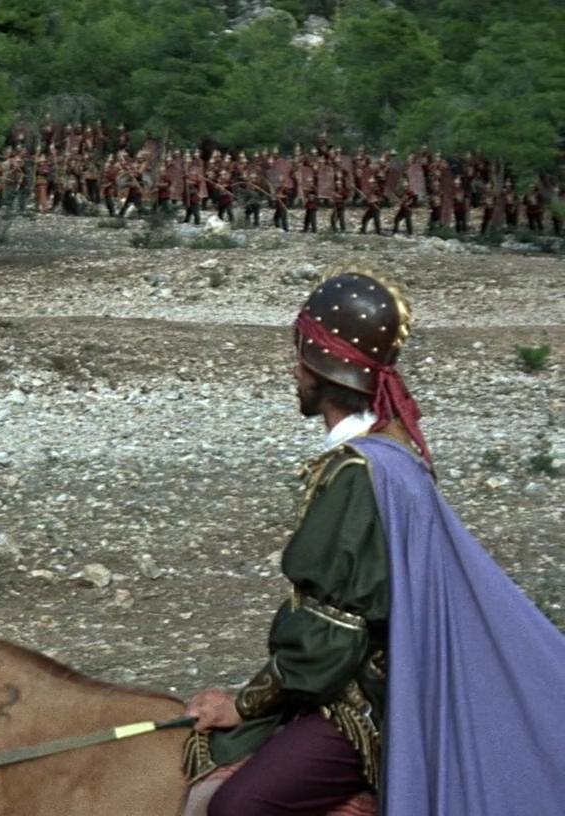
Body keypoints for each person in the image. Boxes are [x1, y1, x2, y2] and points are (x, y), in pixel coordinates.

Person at [182, 270, 565, 816]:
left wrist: (245, 703)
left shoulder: (356, 474)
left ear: (321, 367)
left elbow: (330, 636)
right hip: (380, 674)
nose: (294, 372)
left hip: (367, 702)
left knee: (239, 807)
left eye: (300, 358)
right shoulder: (393, 454)